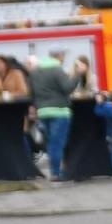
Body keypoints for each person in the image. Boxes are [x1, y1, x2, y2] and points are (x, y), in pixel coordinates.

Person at [30, 51, 79, 181]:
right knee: (57, 144)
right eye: (63, 56)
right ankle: (56, 173)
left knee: (51, 143)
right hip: (60, 111)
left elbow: (33, 92)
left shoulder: (35, 72)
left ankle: (55, 172)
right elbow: (68, 88)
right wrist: (77, 75)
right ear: (59, 56)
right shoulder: (57, 70)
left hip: (43, 112)